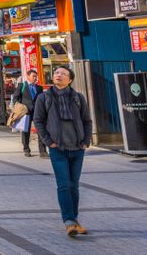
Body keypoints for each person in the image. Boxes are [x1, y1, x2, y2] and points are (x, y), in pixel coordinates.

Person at [33, 65, 92, 237]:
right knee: (64, 185)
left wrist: (85, 141)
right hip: (58, 148)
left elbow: (87, 121)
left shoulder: (78, 98)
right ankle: (69, 221)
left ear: (70, 79)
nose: (58, 75)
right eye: (56, 72)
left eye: (63, 74)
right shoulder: (44, 98)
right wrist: (48, 141)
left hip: (77, 148)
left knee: (74, 187)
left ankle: (74, 220)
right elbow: (38, 121)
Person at [12, 69, 48, 157]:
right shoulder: (22, 86)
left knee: (41, 131)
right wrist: (19, 108)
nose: (35, 78)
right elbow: (15, 98)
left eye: (36, 76)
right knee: (26, 131)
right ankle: (26, 149)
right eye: (33, 76)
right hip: (26, 112)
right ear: (28, 76)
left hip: (37, 112)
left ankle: (43, 151)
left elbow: (42, 100)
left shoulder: (39, 88)